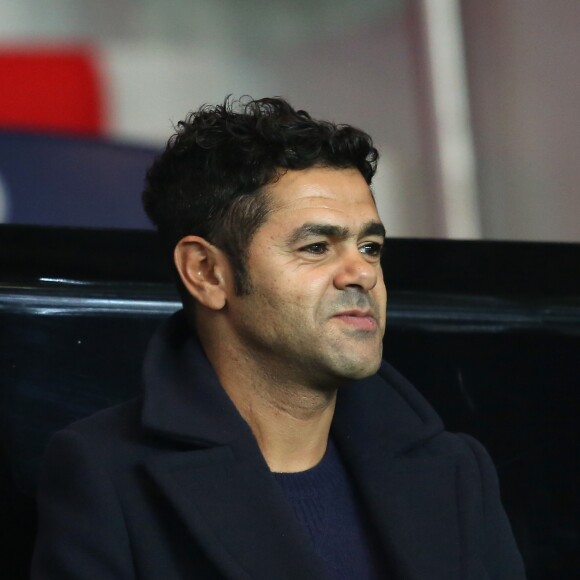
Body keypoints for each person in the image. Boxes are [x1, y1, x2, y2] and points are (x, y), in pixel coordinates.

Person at [32, 97, 525, 579]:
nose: (363, 274)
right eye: (316, 247)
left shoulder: (455, 470)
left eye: (371, 247)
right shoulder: (105, 475)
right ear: (206, 273)